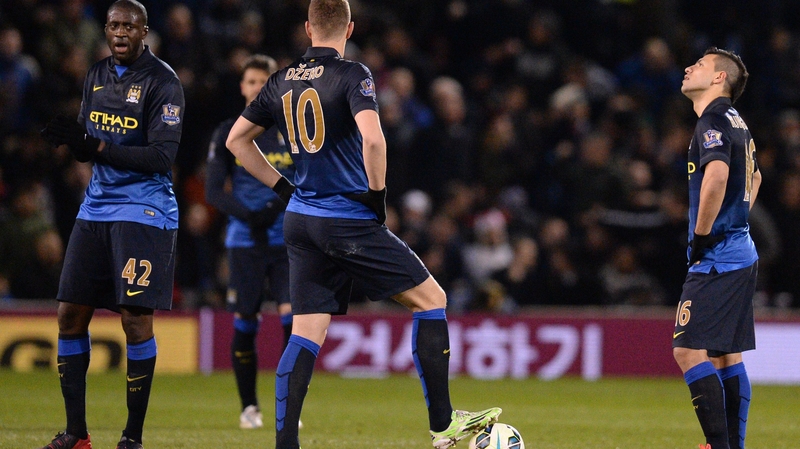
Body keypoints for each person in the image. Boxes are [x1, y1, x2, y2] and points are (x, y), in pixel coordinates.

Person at [225, 1, 501, 448]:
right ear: (350, 27)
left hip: (300, 220)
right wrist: (377, 196)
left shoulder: (279, 81)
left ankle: (284, 444)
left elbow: (236, 140)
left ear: (307, 27)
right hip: (345, 217)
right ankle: (443, 426)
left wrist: (282, 188)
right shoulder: (354, 75)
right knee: (431, 299)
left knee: (306, 331)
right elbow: (374, 138)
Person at [38, 1, 184, 448]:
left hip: (144, 210)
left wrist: (95, 147)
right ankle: (76, 434)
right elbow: (90, 140)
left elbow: (162, 156)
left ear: (144, 32)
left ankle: (132, 437)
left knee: (135, 321)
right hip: (96, 208)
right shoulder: (97, 75)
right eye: (114, 25)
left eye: (129, 26)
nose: (120, 32)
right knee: (68, 316)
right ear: (105, 29)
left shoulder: (164, 82)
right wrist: (73, 143)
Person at [672, 47, 761, 449]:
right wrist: (733, 223)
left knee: (688, 350)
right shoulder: (737, 122)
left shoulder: (711, 119)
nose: (689, 67)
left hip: (719, 256)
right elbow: (754, 180)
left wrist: (703, 235)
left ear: (719, 78)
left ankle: (719, 446)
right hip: (741, 249)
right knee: (727, 354)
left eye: (701, 65)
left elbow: (719, 176)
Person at [204, 53, 296, 430]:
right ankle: (250, 408)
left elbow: (304, 181)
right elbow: (213, 191)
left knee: (294, 320)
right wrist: (250, 216)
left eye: (264, 81)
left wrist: (272, 211)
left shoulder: (290, 132)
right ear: (243, 87)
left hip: (287, 239)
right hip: (244, 240)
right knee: (247, 320)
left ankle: (288, 409)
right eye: (251, 81)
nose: (257, 87)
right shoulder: (228, 130)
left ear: (272, 85)